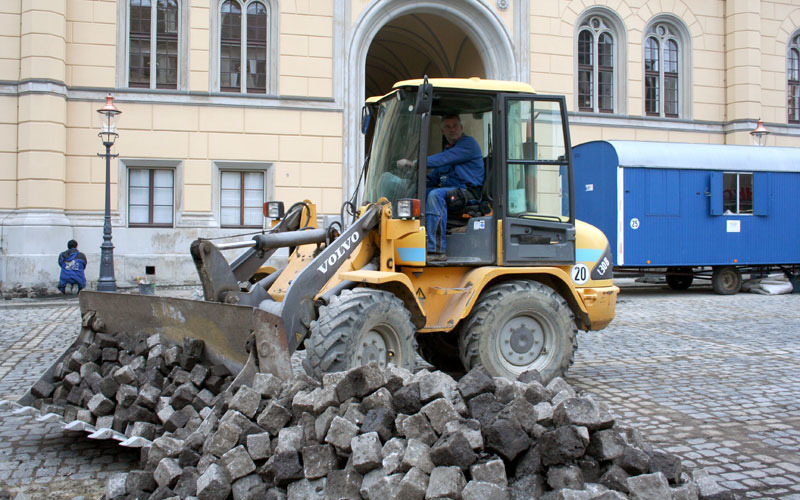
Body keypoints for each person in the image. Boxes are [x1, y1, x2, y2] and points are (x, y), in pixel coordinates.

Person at [424, 114, 484, 261]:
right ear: (442, 131)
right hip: (452, 193)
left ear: (461, 128)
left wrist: (416, 162)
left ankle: (436, 250)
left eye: (455, 126)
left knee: (435, 195)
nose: (452, 130)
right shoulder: (448, 151)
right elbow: (434, 176)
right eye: (447, 127)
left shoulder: (468, 144)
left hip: (468, 193)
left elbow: (443, 159)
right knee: (421, 192)